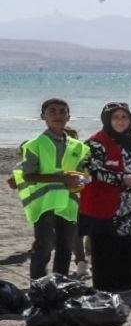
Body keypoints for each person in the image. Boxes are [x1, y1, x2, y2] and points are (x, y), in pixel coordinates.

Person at [80, 102, 131, 289]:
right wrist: (122, 178)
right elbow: (91, 172)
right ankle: (108, 286)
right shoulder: (96, 142)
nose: (121, 121)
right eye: (116, 117)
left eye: (124, 117)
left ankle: (130, 281)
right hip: (109, 204)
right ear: (107, 120)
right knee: (107, 247)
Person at [19, 98, 90, 280]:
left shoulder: (79, 147)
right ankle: (38, 285)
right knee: (44, 245)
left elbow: (85, 176)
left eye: (62, 111)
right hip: (44, 204)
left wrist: (79, 181)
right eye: (52, 111)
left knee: (65, 247)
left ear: (68, 116)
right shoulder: (34, 145)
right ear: (43, 116)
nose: (57, 115)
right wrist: (61, 178)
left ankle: (60, 286)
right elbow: (27, 175)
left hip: (69, 204)